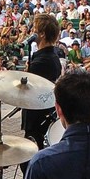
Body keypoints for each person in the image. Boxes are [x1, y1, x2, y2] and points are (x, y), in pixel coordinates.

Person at [21, 14, 62, 151]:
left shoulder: (42, 61)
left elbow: (27, 89)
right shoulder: (50, 56)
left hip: (37, 117)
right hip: (44, 114)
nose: (32, 32)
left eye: (35, 29)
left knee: (32, 153)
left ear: (42, 34)